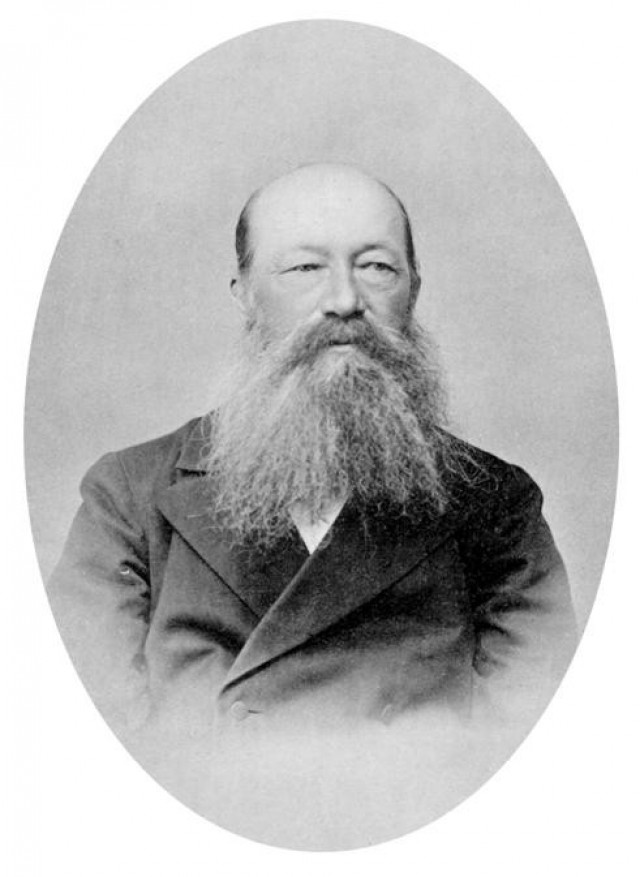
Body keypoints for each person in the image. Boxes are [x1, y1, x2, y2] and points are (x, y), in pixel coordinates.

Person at [47, 163, 577, 847]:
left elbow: (530, 748)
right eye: (304, 268)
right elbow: (91, 748)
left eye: (377, 266)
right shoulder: (128, 495)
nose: (345, 300)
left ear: (414, 289)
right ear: (244, 294)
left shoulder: (496, 503)